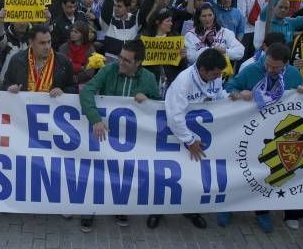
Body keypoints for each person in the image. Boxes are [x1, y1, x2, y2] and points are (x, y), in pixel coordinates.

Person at [223, 42, 303, 232]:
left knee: (266, 172)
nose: (269, 69)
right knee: (238, 170)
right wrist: (237, 93)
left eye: (275, 67)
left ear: (285, 64)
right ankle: (228, 207)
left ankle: (262, 211)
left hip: (275, 133)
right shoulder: (251, 69)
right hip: (246, 132)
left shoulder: (294, 74)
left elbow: (301, 99)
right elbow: (229, 86)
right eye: (268, 64)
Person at [78, 40, 159, 233]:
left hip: (130, 139)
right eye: (121, 57)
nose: (120, 62)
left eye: (126, 60)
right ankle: (90, 209)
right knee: (97, 171)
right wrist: (95, 118)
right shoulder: (109, 70)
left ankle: (120, 207)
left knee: (124, 173)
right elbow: (87, 91)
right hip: (104, 132)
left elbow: (158, 107)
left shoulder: (149, 78)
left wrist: (147, 101)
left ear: (138, 63)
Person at [148, 48, 230, 230]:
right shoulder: (183, 82)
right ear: (202, 70)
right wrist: (189, 140)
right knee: (167, 174)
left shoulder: (214, 77)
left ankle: (191, 210)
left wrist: (230, 97)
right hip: (175, 134)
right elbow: (175, 117)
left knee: (193, 175)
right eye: (215, 73)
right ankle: (157, 210)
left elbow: (218, 94)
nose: (218, 77)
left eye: (219, 74)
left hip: (198, 135)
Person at [3, 24, 76, 95]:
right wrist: (10, 88)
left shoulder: (63, 62)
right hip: (23, 106)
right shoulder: (16, 60)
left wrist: (62, 91)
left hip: (53, 106)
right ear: (31, 42)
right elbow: (6, 84)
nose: (47, 47)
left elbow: (74, 87)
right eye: (42, 43)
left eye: (49, 42)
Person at [58, 21, 96, 88]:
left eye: (76, 32)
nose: (72, 34)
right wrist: (80, 67)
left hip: (84, 83)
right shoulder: (64, 47)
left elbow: (89, 72)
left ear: (83, 34)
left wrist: (75, 78)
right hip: (65, 82)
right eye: (72, 31)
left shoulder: (90, 49)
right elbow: (61, 66)